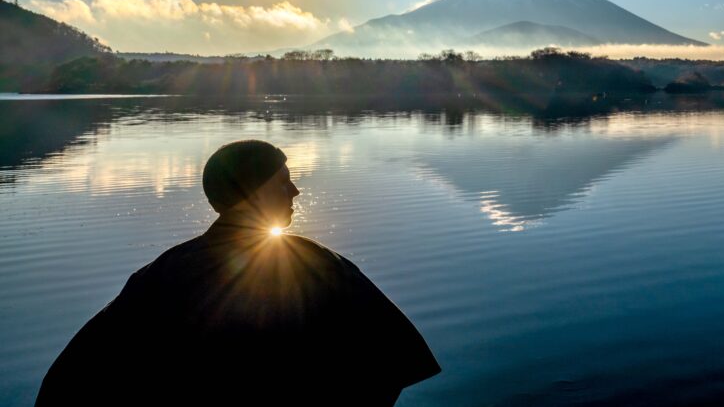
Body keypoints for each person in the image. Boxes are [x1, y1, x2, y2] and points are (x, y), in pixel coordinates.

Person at [36, 139, 441, 406]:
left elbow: (68, 383)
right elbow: (396, 360)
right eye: (283, 182)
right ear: (250, 193)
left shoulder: (161, 275)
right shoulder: (315, 265)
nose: (295, 191)